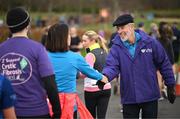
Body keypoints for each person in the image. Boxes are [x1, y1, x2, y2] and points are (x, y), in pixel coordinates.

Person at [102, 14, 176, 119]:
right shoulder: (116, 47)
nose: (119, 31)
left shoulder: (150, 42)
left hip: (149, 95)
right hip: (129, 97)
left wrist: (171, 85)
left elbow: (164, 63)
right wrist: (105, 77)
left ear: (131, 27)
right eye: (118, 28)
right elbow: (111, 66)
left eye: (122, 28)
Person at [0, 7, 61, 118]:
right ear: (28, 25)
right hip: (37, 111)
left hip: (7, 113)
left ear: (9, 27)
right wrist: (57, 112)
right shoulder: (37, 48)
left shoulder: (1, 49)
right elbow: (50, 82)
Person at [45, 23, 108, 119]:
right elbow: (90, 72)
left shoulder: (43, 56)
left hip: (49, 104)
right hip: (68, 106)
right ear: (64, 38)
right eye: (68, 34)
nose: (70, 37)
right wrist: (103, 77)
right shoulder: (75, 57)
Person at [81, 30, 111, 119]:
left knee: (91, 117)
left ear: (92, 41)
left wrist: (78, 70)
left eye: (84, 41)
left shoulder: (90, 55)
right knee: (102, 117)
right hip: (106, 87)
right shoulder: (105, 51)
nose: (82, 43)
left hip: (92, 89)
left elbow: (86, 73)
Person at [157, 22, 175, 100]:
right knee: (166, 76)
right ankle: (164, 88)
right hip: (166, 61)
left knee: (159, 77)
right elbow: (171, 53)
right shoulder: (168, 41)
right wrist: (172, 62)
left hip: (158, 60)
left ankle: (160, 94)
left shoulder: (156, 41)